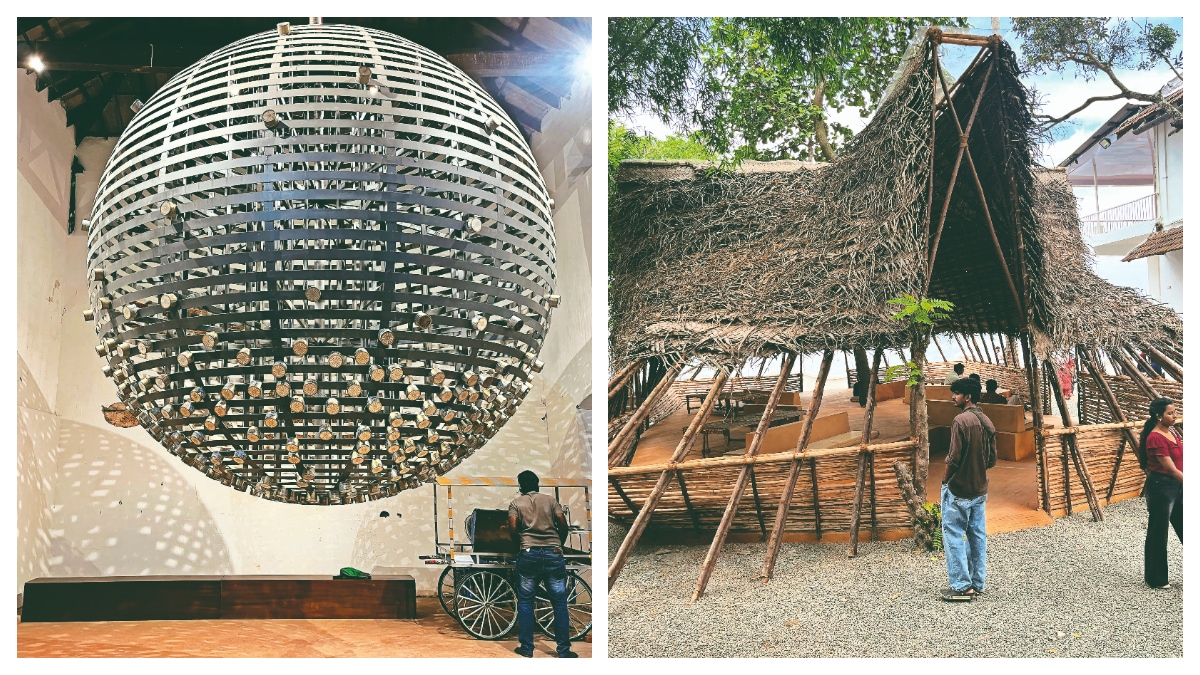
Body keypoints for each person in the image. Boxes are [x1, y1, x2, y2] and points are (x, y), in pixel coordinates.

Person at [507, 470, 577, 658]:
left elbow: (512, 528)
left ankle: (527, 649)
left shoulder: (516, 504)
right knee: (560, 603)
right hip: (554, 554)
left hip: (528, 554)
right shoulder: (551, 501)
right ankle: (563, 650)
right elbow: (563, 525)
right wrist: (557, 544)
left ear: (520, 486)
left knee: (526, 602)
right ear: (537, 484)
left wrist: (521, 545)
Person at [940, 377, 995, 601]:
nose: (953, 396)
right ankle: (977, 582)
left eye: (956, 393)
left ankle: (962, 587)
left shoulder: (960, 421)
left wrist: (945, 481)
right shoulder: (986, 421)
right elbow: (991, 460)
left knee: (953, 535)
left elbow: (953, 458)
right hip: (980, 489)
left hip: (959, 489)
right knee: (977, 536)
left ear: (967, 396)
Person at [1140, 398, 1182, 589]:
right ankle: (1156, 579)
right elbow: (1171, 469)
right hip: (1162, 488)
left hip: (1178, 486)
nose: (1174, 416)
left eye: (1175, 412)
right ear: (1158, 416)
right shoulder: (1155, 438)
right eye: (1170, 413)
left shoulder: (1172, 431)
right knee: (1159, 532)